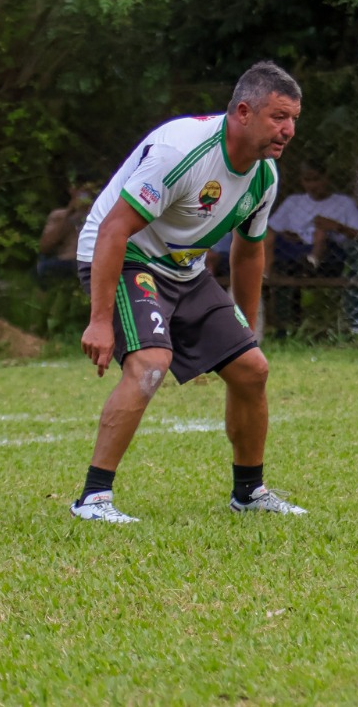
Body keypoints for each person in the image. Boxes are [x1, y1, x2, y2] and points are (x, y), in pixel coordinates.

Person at [69, 61, 308, 523]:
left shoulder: (264, 177)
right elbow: (115, 230)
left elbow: (248, 252)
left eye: (294, 118)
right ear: (243, 111)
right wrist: (100, 320)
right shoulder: (181, 150)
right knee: (150, 364)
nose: (289, 130)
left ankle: (249, 494)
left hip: (184, 268)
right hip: (125, 255)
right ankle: (93, 500)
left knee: (251, 369)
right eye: (279, 116)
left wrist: (244, 328)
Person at [266, 163, 358, 336]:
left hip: (330, 256)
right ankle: (284, 325)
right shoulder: (294, 202)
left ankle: (313, 262)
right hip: (296, 251)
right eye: (307, 180)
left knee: (321, 231)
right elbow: (272, 228)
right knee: (270, 240)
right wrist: (290, 235)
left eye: (316, 179)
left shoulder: (343, 203)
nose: (312, 185)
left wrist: (338, 227)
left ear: (326, 178)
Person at [37, 180, 95, 283]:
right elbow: (44, 247)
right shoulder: (59, 215)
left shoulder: (98, 215)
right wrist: (69, 212)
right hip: (63, 261)